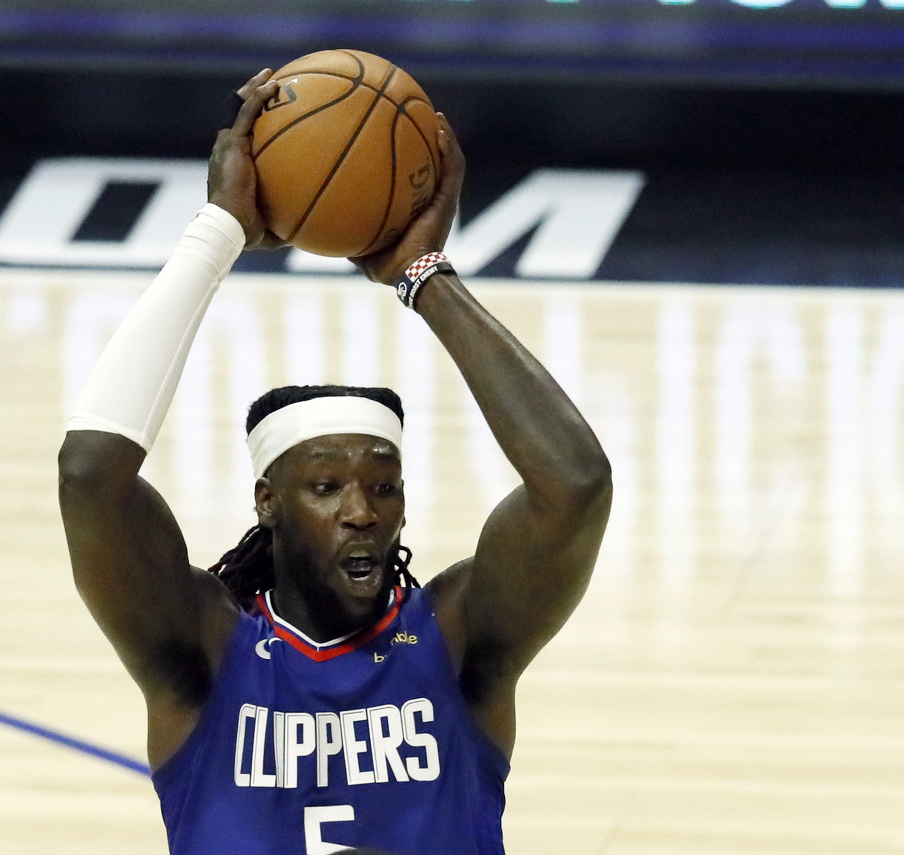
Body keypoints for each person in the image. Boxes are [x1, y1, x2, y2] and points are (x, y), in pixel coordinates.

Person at [57, 69, 612, 855]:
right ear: (268, 502)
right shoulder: (205, 651)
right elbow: (89, 474)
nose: (361, 510)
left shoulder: (456, 639)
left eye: (384, 486)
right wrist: (216, 233)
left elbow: (577, 485)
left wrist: (423, 275)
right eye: (325, 486)